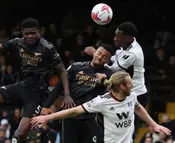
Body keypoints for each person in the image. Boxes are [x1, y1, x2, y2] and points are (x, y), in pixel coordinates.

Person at [31, 71, 171, 143]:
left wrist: (153, 124)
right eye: (129, 83)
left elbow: (138, 107)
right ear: (122, 86)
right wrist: (48, 117)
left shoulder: (132, 95)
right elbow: (74, 111)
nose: (132, 85)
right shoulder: (102, 102)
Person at [41, 44, 114, 143]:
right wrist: (46, 105)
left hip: (91, 117)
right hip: (70, 115)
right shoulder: (76, 67)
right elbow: (59, 87)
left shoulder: (109, 73)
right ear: (94, 53)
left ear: (107, 61)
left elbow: (116, 89)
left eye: (104, 57)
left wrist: (105, 79)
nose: (100, 57)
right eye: (99, 53)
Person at [84, 22, 147, 107]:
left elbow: (111, 70)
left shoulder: (133, 53)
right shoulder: (127, 44)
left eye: (118, 37)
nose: (115, 39)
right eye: (115, 35)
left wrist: (95, 54)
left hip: (136, 94)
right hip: (124, 91)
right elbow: (112, 59)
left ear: (129, 38)